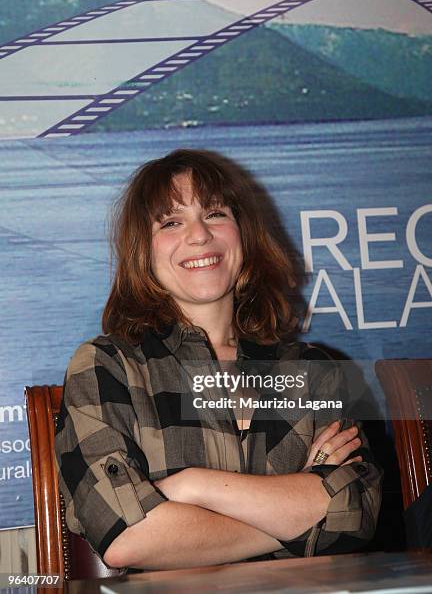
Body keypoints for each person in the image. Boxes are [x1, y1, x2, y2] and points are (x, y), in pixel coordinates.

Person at [54, 149, 382, 571]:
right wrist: (303, 511)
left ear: (243, 232)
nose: (199, 236)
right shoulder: (107, 365)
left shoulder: (313, 370)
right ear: (143, 251)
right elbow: (125, 536)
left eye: (214, 214)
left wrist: (193, 487)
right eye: (171, 222)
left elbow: (356, 516)